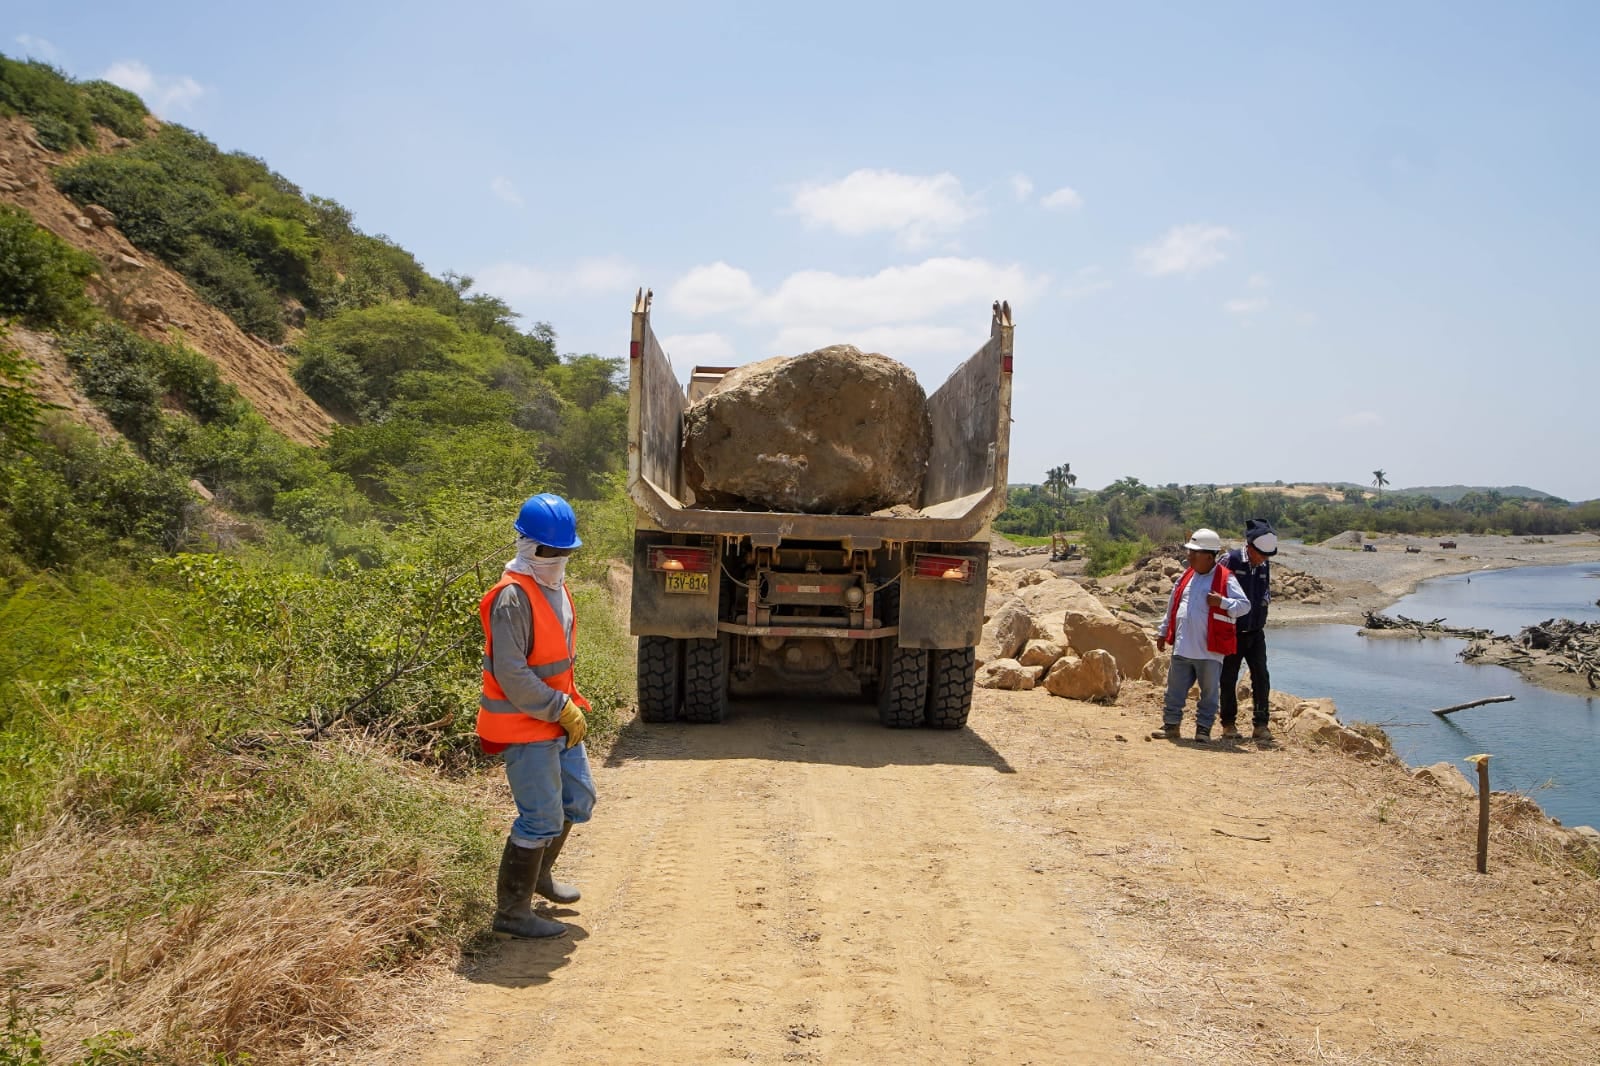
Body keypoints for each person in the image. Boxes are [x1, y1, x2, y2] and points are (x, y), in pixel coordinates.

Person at [477, 492, 597, 939]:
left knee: (577, 800)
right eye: (549, 551)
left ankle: (540, 877)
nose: (558, 558)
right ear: (526, 546)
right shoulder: (512, 597)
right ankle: (512, 912)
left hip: (556, 718)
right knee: (540, 818)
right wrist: (559, 707)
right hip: (525, 724)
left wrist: (566, 707)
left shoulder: (553, 585)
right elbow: (512, 673)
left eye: (565, 551)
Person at [1151, 528, 1252, 743]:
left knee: (1208, 695)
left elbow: (1244, 606)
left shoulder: (1226, 579)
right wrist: (1163, 631)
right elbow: (1173, 606)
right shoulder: (1185, 577)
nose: (1189, 557)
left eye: (1193, 553)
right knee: (1174, 691)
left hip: (1209, 650)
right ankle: (1171, 726)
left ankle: (1203, 730)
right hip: (1182, 645)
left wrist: (1222, 602)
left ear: (1208, 556)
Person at [1219, 518, 1278, 740]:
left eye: (1267, 556)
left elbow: (1265, 588)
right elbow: (1218, 587)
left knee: (1261, 676)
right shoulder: (1230, 560)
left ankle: (1261, 725)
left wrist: (1265, 601)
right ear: (1250, 547)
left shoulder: (1265, 563)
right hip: (1233, 630)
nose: (1264, 559)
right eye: (1261, 554)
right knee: (1228, 677)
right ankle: (1228, 724)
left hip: (1256, 631)